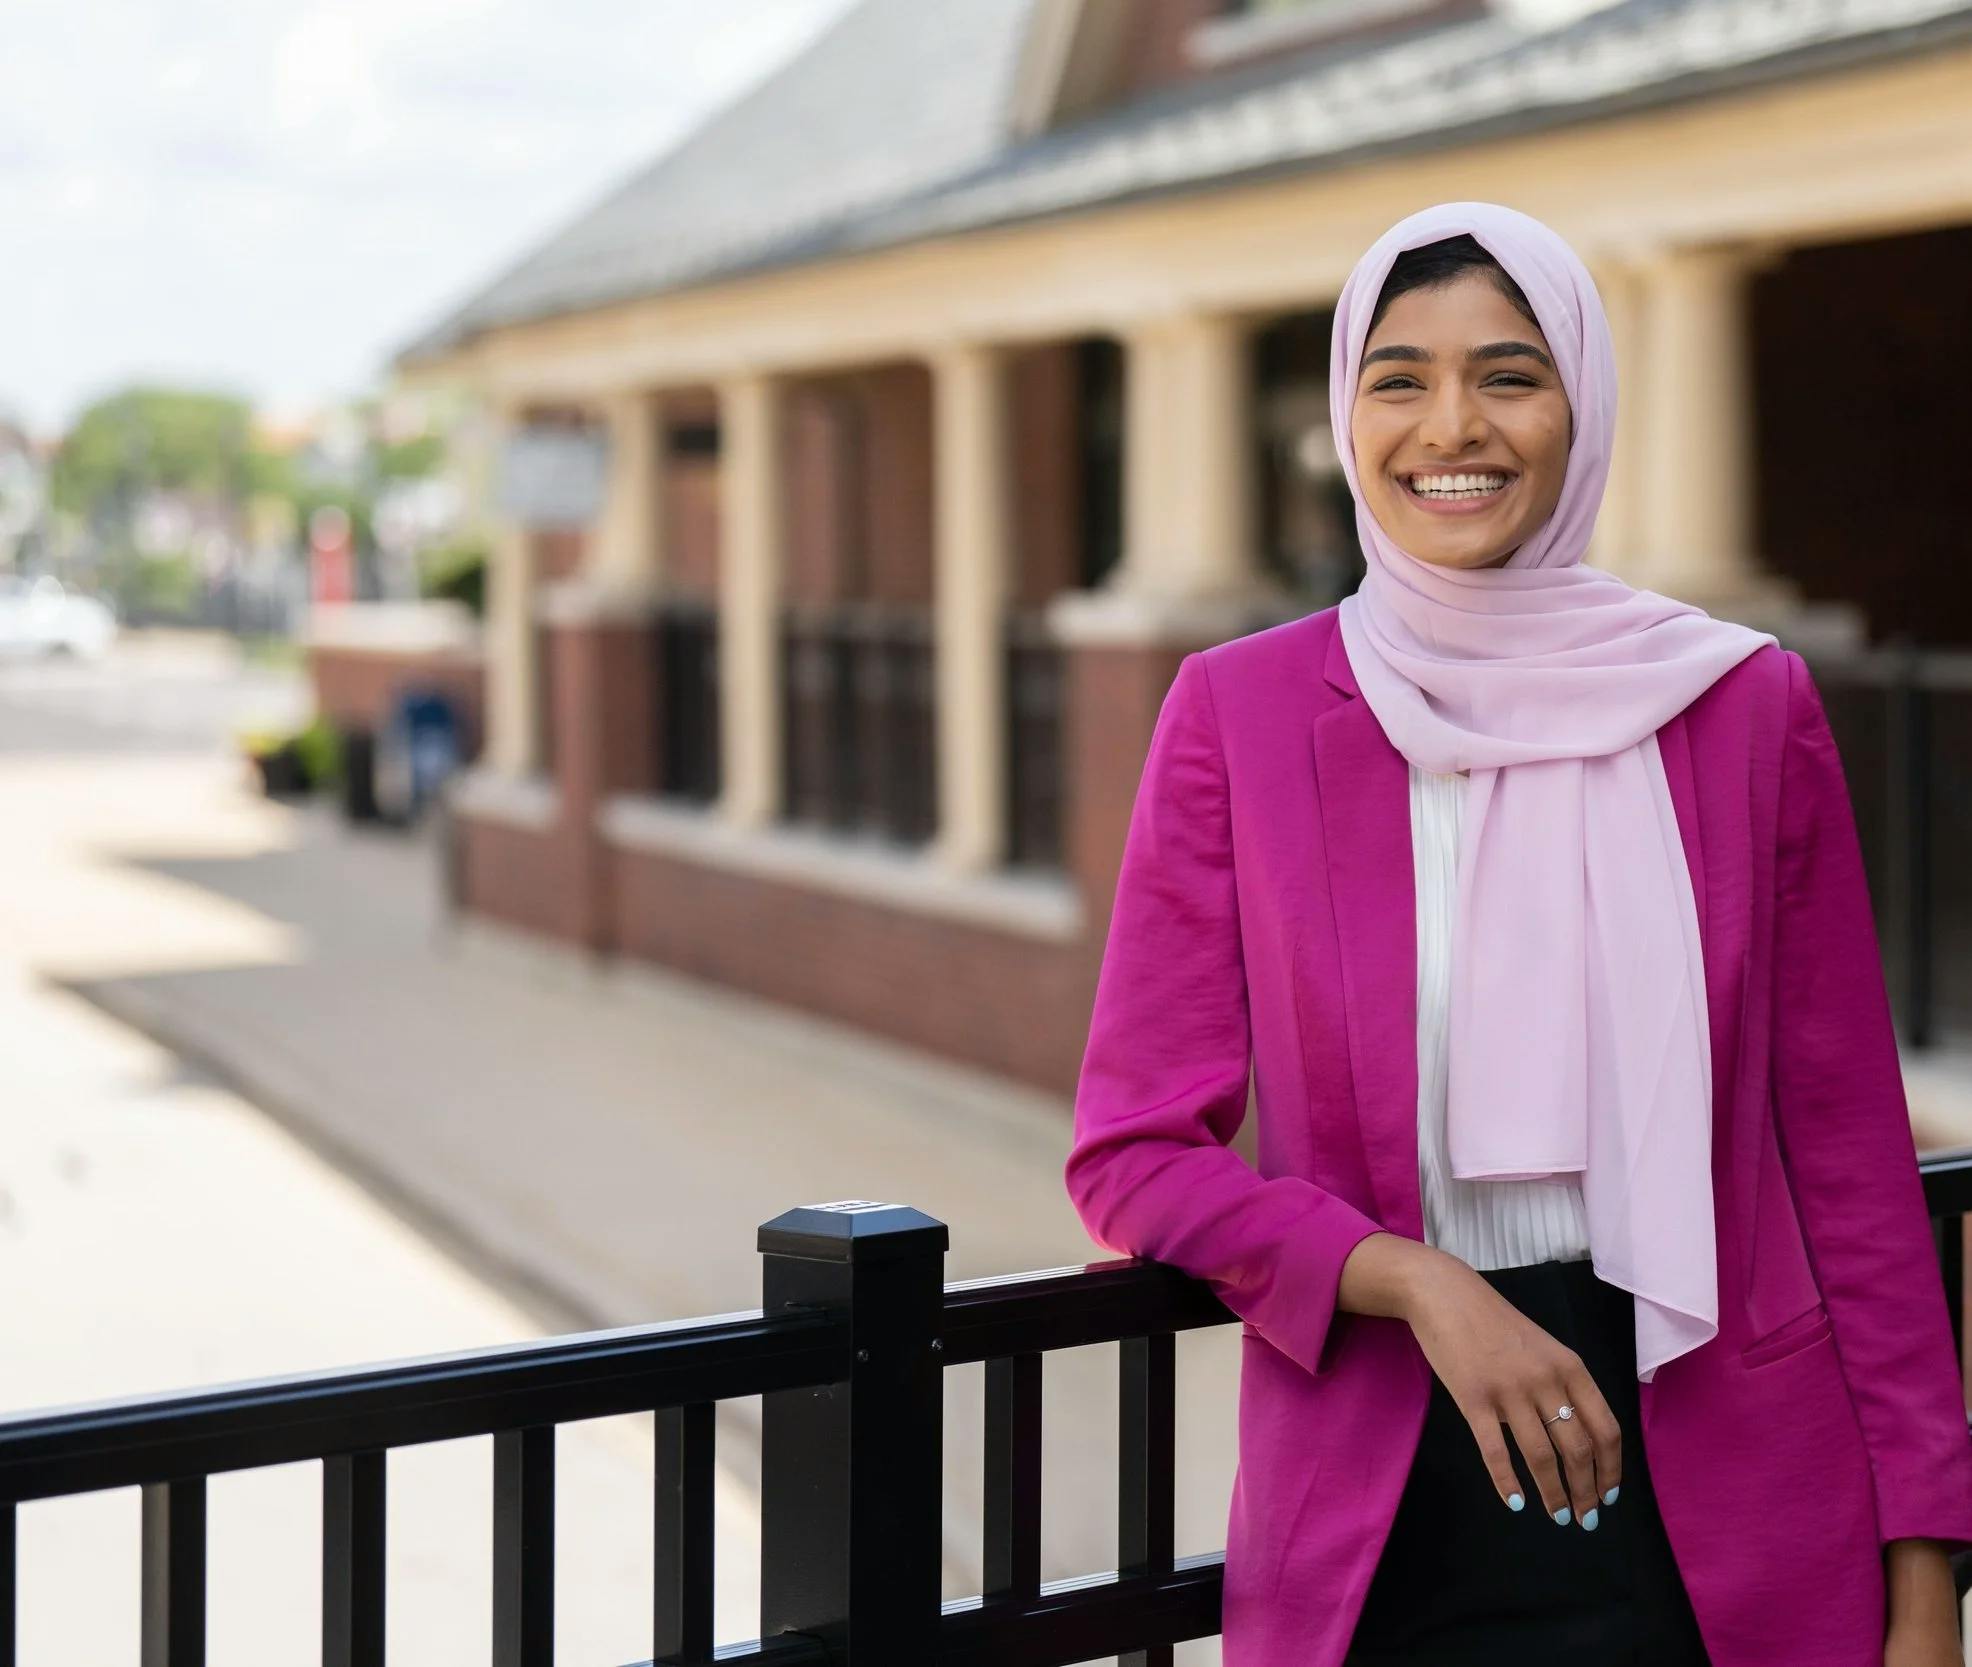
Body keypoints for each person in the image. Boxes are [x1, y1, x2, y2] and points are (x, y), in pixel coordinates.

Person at [1062, 201, 1972, 1667]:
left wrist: (1925, 1573)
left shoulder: (1742, 706)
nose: (1451, 428)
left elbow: (1851, 1164)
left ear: (1581, 406)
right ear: (1348, 416)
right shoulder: (1241, 714)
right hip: (1387, 1506)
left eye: (1509, 375)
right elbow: (1132, 1156)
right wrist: (1416, 1282)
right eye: (1400, 379)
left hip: (1732, 1499)